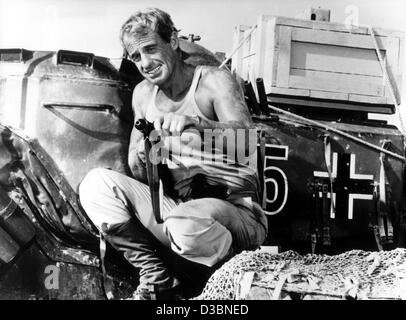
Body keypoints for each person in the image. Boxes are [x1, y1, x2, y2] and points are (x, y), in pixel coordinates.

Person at [79, 7, 267, 300]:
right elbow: (138, 170)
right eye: (136, 56)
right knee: (96, 185)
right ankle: (157, 277)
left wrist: (199, 124)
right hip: (178, 210)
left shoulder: (214, 81)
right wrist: (143, 155)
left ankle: (231, 275)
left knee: (185, 224)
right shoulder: (142, 94)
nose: (145, 62)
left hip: (234, 213)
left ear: (174, 41)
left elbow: (247, 144)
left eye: (151, 49)